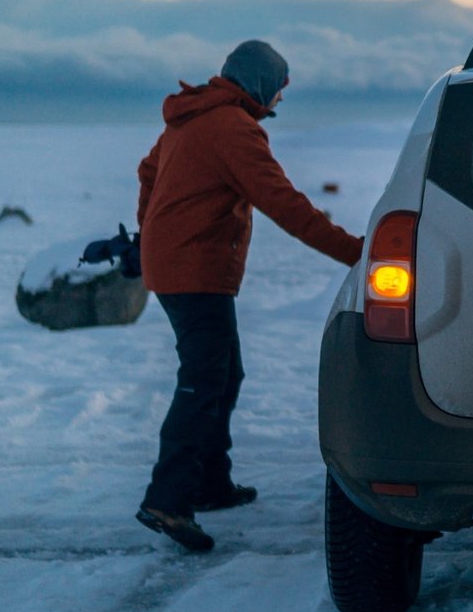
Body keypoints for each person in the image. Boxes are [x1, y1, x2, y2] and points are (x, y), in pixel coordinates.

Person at [134, 40, 363, 552]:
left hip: (177, 263)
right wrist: (357, 253)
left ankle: (210, 482)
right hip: (194, 269)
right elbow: (285, 204)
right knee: (202, 381)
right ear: (261, 84)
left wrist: (150, 230)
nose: (280, 100)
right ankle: (167, 499)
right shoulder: (233, 128)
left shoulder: (191, 116)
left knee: (223, 373)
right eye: (279, 89)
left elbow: (148, 173)